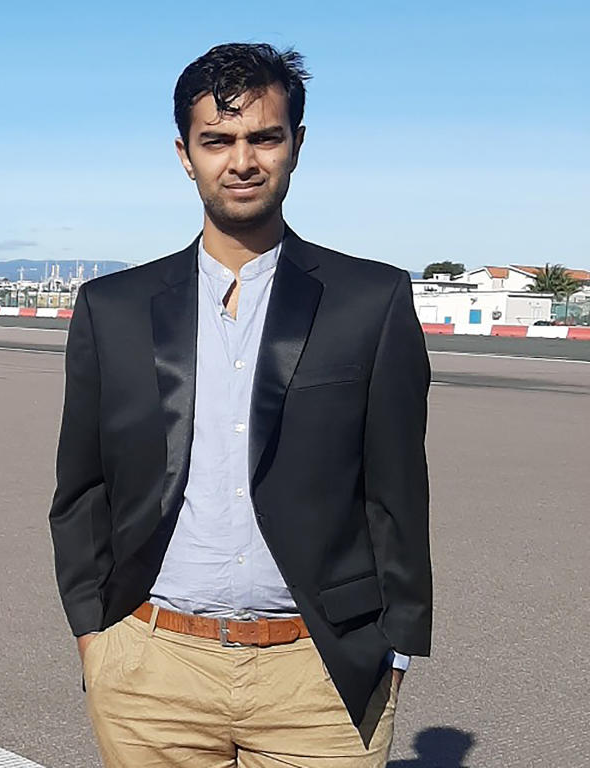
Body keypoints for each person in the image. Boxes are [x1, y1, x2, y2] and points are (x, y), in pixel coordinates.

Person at [48, 42, 431, 768]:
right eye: (216, 141)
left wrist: (397, 647)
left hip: (317, 676)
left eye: (264, 137)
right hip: (151, 669)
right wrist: (94, 639)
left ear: (297, 144)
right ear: (185, 154)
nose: (242, 161)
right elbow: (82, 488)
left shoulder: (370, 301)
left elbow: (397, 491)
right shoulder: (112, 308)